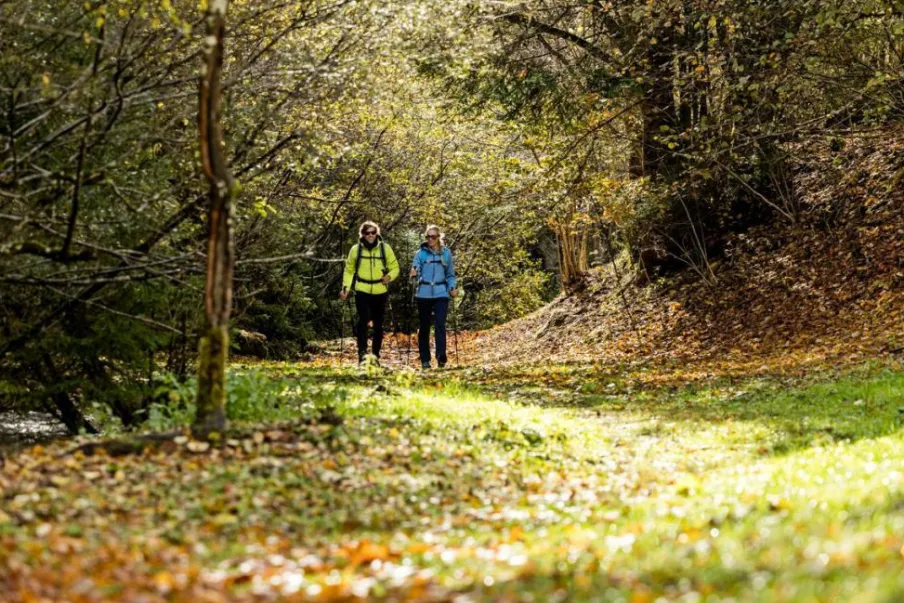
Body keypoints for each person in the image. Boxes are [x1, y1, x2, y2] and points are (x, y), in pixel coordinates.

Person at [340, 221, 399, 364]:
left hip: (380, 290)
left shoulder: (385, 249)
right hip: (362, 289)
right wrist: (346, 288)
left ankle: (375, 356)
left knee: (378, 325)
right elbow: (349, 270)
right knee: (363, 321)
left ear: (377, 234)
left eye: (373, 233)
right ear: (363, 235)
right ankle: (362, 354)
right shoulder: (356, 250)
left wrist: (389, 277)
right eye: (368, 233)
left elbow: (395, 267)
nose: (371, 235)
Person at [410, 224, 457, 369]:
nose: (430, 239)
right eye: (428, 237)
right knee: (424, 327)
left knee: (440, 325)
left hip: (441, 293)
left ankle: (441, 357)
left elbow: (450, 275)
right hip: (423, 294)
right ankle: (425, 360)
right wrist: (414, 272)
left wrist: (452, 288)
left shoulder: (446, 254)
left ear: (439, 238)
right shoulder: (420, 253)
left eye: (433, 237)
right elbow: (415, 268)